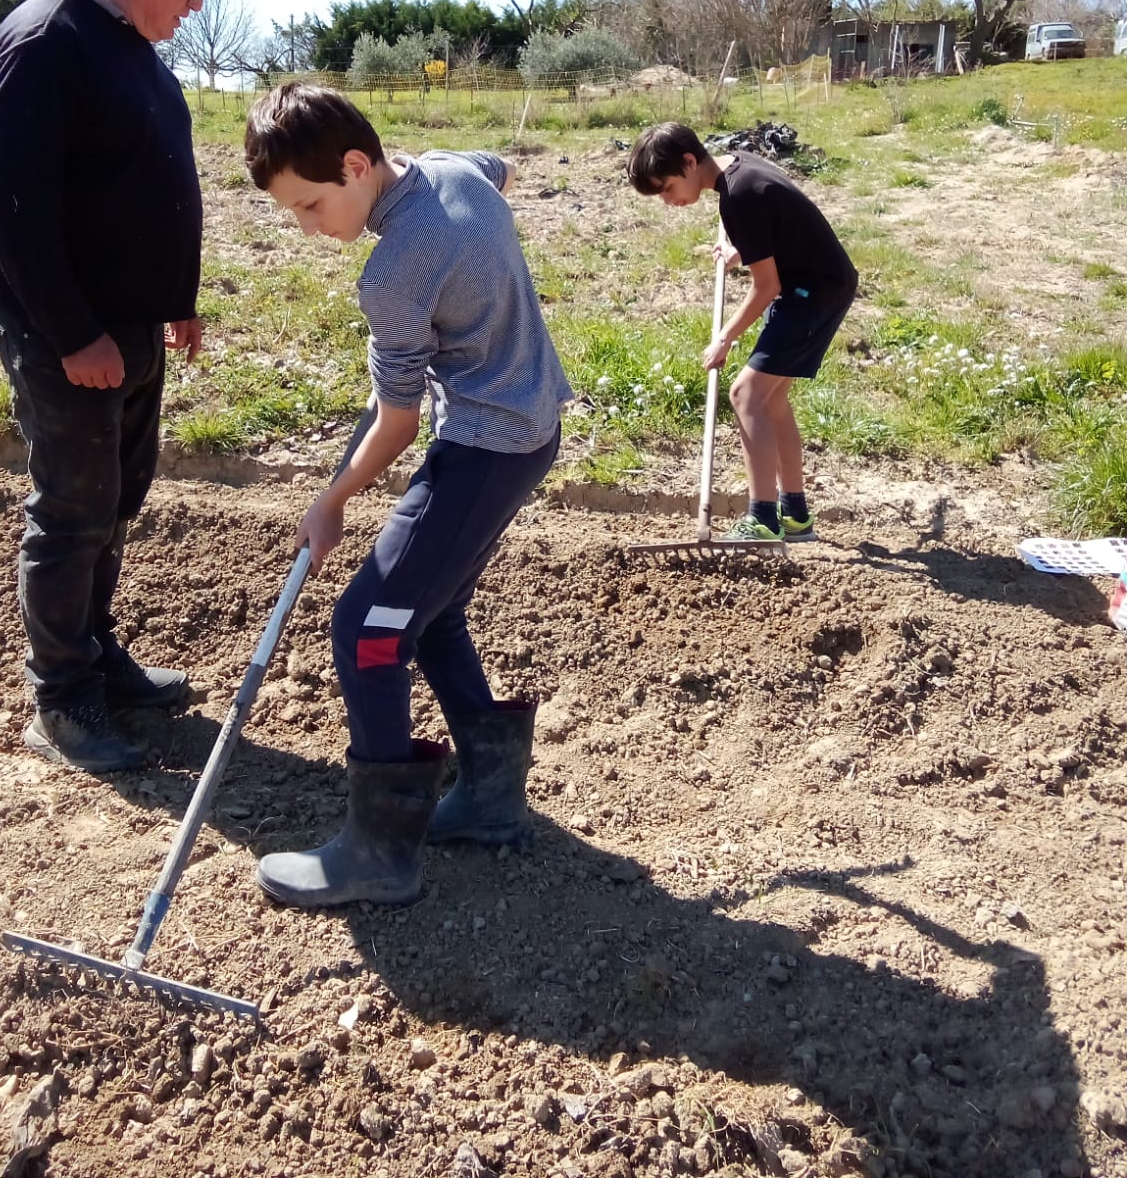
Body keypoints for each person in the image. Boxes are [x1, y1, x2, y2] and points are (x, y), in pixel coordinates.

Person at [243, 83, 572, 910]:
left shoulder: (392, 273)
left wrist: (333, 497)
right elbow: (496, 175)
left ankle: (379, 854)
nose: (310, 228)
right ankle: (491, 798)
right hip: (533, 427)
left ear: (357, 166)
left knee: (366, 630)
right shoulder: (451, 170)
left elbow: (394, 425)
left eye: (312, 205)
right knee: (427, 610)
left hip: (483, 449)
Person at [0, 0, 221, 773]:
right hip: (66, 329)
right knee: (75, 509)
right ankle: (62, 698)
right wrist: (75, 333)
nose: (196, 8)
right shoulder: (46, 43)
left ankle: (95, 651)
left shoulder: (130, 45)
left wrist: (176, 296)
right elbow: (11, 208)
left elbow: (147, 177)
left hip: (130, 321)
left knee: (118, 496)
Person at [627, 121, 857, 544]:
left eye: (666, 188)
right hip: (819, 282)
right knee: (771, 399)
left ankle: (763, 519)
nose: (667, 200)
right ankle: (796, 516)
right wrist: (743, 251)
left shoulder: (738, 197)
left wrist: (725, 337)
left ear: (690, 162)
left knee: (745, 393)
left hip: (811, 292)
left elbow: (766, 286)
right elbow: (781, 222)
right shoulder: (740, 167)